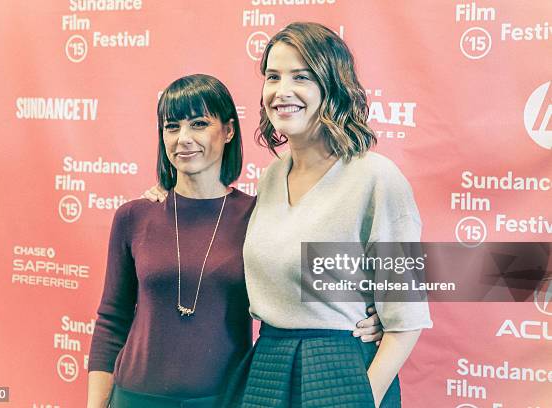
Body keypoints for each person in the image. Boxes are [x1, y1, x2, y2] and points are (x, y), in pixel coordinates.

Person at [145, 22, 432, 408]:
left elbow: (407, 318)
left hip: (342, 370)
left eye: (301, 76)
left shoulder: (375, 178)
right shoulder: (272, 177)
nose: (282, 91)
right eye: (273, 77)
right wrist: (172, 196)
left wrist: (365, 395)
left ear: (332, 85)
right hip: (268, 363)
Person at [87, 73, 385, 408]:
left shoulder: (260, 214)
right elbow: (112, 320)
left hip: (229, 397)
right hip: (136, 397)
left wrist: (367, 315)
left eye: (199, 124)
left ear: (228, 130)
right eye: (172, 127)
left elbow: (304, 286)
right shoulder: (135, 216)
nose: (183, 138)